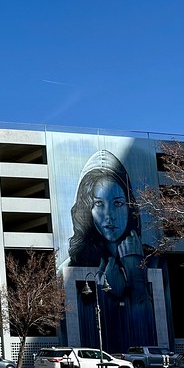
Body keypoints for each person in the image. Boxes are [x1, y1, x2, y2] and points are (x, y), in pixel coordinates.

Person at [68, 149, 157, 352]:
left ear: (130, 207)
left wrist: (135, 274)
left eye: (118, 204)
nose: (109, 216)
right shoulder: (75, 264)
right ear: (86, 210)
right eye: (99, 204)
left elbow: (147, 329)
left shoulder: (154, 259)